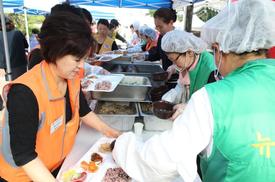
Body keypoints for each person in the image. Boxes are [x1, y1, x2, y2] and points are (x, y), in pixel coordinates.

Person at [111, 0, 275, 182]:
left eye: (214, 50)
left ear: (220, 48)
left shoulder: (213, 96)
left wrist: (123, 145)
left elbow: (164, 160)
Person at [0, 12, 120, 182]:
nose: (81, 67)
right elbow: (24, 156)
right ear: (56, 51)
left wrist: (111, 132)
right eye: (77, 59)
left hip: (56, 166)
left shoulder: (71, 77)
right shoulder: (24, 93)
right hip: (23, 176)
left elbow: (83, 110)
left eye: (84, 59)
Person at [161, 30, 216, 120]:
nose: (174, 64)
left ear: (190, 52)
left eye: (175, 60)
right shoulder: (188, 61)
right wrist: (168, 99)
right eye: (171, 60)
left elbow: (213, 104)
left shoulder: (211, 70)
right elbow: (182, 86)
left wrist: (189, 106)